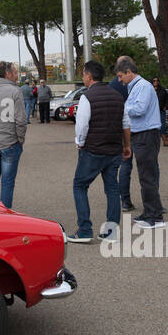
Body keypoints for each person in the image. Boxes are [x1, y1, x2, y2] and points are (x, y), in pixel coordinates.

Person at [66, 60, 132, 242]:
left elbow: (82, 125)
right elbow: (126, 124)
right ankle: (112, 231)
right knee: (112, 188)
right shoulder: (118, 96)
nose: (83, 78)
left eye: (83, 75)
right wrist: (127, 146)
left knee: (80, 185)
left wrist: (80, 143)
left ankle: (85, 230)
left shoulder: (87, 97)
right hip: (114, 150)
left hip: (93, 150)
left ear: (89, 76)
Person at [117, 56, 166, 229]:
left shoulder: (143, 86)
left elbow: (139, 109)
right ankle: (149, 211)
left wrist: (122, 108)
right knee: (145, 175)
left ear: (129, 72)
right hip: (141, 134)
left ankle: (155, 217)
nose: (119, 80)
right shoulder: (137, 87)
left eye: (121, 76)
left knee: (147, 177)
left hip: (146, 134)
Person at [0, 61, 28, 208]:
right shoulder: (15, 91)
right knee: (7, 183)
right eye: (14, 72)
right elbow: (21, 119)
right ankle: (5, 215)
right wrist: (20, 140)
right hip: (9, 142)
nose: (16, 75)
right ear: (8, 74)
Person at [108, 65, 135, 211]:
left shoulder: (112, 86)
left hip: (121, 129)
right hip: (138, 128)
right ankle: (154, 203)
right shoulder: (137, 84)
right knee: (149, 168)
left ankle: (125, 200)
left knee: (125, 166)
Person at [152, 77, 168, 147]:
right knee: (153, 127)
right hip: (151, 112)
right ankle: (153, 142)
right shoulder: (149, 89)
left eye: (157, 80)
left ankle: (165, 141)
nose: (155, 82)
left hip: (161, 111)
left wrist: (166, 106)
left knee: (162, 126)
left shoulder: (162, 90)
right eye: (154, 81)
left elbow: (167, 99)